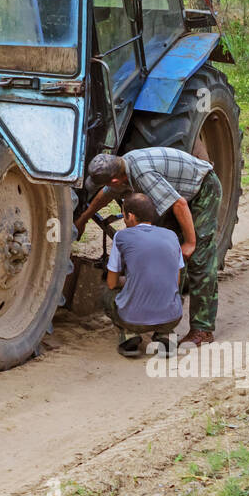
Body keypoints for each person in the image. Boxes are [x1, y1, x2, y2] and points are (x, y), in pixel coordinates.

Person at [76, 146, 221, 346]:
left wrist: (190, 242)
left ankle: (203, 329)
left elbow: (179, 204)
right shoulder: (121, 167)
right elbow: (106, 194)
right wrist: (84, 218)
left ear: (116, 178)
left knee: (199, 258)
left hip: (201, 190)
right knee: (165, 252)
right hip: (179, 196)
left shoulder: (143, 174)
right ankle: (163, 321)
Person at [105, 192, 185, 358]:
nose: (125, 220)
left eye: (124, 215)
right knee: (172, 292)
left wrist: (127, 281)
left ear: (131, 216)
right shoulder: (171, 236)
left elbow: (112, 283)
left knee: (107, 293)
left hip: (133, 319)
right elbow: (175, 281)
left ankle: (129, 335)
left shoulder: (121, 237)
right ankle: (165, 335)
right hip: (173, 316)